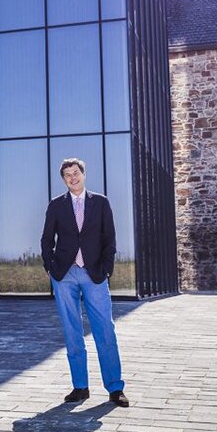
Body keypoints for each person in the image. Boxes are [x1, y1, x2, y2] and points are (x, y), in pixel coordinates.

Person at [41, 157, 128, 407]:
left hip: (94, 275)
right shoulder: (56, 205)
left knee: (105, 330)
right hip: (65, 275)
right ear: (63, 179)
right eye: (67, 174)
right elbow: (47, 239)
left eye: (76, 172)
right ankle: (80, 387)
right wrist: (50, 268)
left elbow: (110, 239)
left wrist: (106, 269)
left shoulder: (100, 203)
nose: (72, 177)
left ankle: (115, 387)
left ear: (83, 174)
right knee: (72, 331)